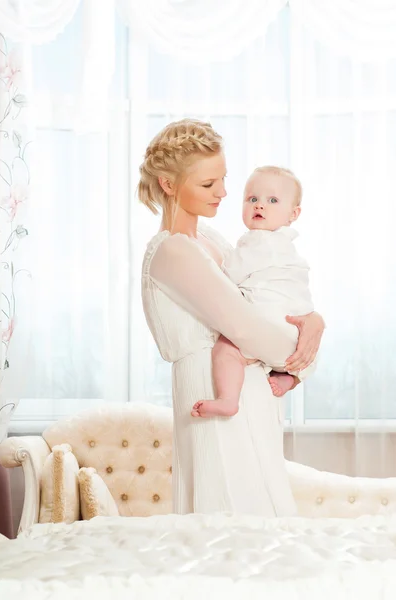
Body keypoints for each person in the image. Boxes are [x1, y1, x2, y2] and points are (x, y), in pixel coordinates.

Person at [140, 118, 324, 516]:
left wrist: (312, 320)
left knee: (261, 523)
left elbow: (268, 298)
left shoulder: (212, 241)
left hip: (248, 395)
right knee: (228, 519)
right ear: (170, 185)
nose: (224, 193)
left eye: (223, 180)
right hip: (213, 397)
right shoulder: (175, 250)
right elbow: (245, 328)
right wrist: (304, 347)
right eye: (209, 184)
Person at [192, 165, 316, 419]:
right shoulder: (289, 248)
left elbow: (228, 279)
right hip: (298, 334)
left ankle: (228, 400)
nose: (260, 206)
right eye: (252, 199)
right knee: (292, 361)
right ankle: (288, 379)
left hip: (268, 323)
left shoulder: (255, 241)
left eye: (272, 200)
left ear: (293, 213)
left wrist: (213, 268)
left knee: (226, 350)